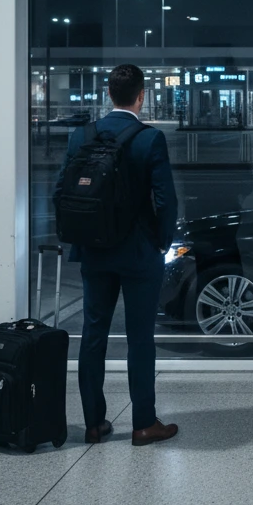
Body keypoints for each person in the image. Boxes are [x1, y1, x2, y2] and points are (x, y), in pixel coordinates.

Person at [54, 64, 179, 447]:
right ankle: (143, 423)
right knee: (140, 337)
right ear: (141, 95)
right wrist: (161, 242)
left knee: (94, 335)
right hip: (139, 253)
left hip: (94, 250)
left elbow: (63, 190)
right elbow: (166, 201)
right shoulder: (149, 139)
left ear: (109, 94)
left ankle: (94, 423)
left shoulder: (81, 136)